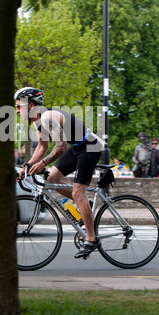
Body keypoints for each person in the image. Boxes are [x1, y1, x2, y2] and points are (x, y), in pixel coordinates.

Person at [15, 86, 103, 259]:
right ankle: (86, 205)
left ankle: (92, 239)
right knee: (52, 180)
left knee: (78, 192)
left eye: (19, 106)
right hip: (77, 148)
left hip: (91, 147)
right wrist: (27, 166)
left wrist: (42, 163)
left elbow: (61, 147)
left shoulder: (47, 117)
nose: (17, 110)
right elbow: (43, 146)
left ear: (31, 105)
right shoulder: (38, 121)